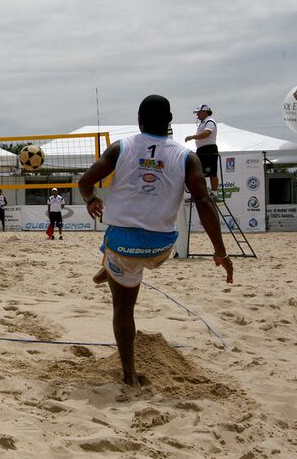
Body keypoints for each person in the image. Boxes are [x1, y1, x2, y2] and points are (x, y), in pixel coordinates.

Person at [78, 94, 233, 388]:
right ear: (171, 122)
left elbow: (85, 182)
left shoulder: (120, 147)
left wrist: (90, 200)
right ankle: (108, 267)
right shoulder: (187, 156)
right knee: (119, 241)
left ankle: (129, 376)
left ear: (139, 121)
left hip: (123, 246)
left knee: (123, 305)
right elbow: (203, 202)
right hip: (161, 248)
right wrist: (220, 252)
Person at [185, 104, 220, 199]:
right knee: (198, 173)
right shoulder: (203, 122)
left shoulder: (210, 121)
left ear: (204, 112)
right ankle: (199, 193)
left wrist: (192, 137)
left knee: (212, 172)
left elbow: (207, 133)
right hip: (202, 150)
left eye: (198, 113)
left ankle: (214, 193)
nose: (197, 115)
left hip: (209, 149)